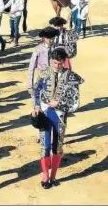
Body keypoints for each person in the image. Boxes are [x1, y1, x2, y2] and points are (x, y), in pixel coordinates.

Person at [32, 48, 83, 189]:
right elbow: (36, 91)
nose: (57, 66)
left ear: (64, 62)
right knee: (45, 145)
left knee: (57, 146)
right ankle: (45, 175)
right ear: (51, 61)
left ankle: (53, 175)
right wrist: (36, 106)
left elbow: (75, 99)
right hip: (45, 112)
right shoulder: (43, 73)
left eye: (60, 64)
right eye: (55, 63)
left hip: (60, 114)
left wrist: (59, 103)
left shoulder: (70, 76)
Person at [27, 27, 59, 95]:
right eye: (48, 38)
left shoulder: (57, 49)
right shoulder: (38, 49)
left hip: (55, 79)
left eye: (52, 38)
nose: (50, 40)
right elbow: (31, 67)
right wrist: (30, 86)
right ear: (44, 38)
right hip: (41, 79)